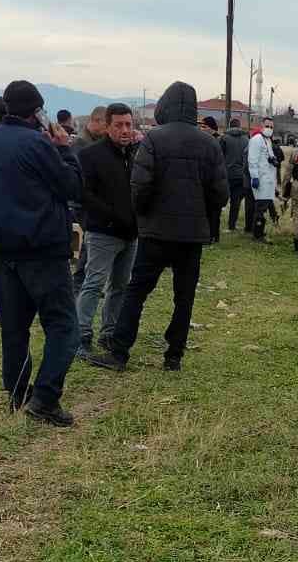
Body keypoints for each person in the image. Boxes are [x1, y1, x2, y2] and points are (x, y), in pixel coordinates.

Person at [91, 82, 228, 374]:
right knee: (184, 296)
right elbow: (220, 193)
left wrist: (143, 216)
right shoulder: (210, 143)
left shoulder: (154, 140)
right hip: (192, 235)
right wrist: (204, 215)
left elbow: (139, 187)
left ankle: (119, 352)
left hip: (155, 232)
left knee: (136, 291)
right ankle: (173, 356)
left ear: (165, 106)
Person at [0, 80, 83, 426]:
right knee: (64, 326)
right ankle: (45, 399)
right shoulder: (38, 143)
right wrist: (65, 148)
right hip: (42, 251)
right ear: (37, 111)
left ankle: (17, 396)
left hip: (3, 251)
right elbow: (71, 186)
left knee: (14, 328)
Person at [75, 102, 139, 361]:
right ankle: (80, 335)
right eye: (119, 125)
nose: (125, 130)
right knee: (94, 283)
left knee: (120, 286)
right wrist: (111, 217)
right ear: (107, 126)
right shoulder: (91, 155)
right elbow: (83, 194)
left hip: (131, 233)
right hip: (103, 232)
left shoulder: (135, 154)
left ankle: (109, 331)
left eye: (128, 124)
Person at [71, 107, 109, 291]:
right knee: (88, 242)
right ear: (97, 121)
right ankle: (80, 281)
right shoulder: (81, 144)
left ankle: (82, 280)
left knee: (89, 241)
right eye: (106, 124)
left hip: (90, 200)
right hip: (82, 201)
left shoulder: (93, 141)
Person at [247, 122, 279, 240]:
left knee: (263, 207)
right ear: (261, 126)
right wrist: (255, 176)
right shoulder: (257, 140)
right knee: (260, 208)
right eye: (267, 126)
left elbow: (268, 157)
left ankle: (259, 231)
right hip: (261, 178)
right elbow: (252, 160)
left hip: (268, 179)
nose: (269, 129)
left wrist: (272, 159)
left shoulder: (267, 140)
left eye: (271, 127)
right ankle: (257, 234)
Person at [222, 118, 248, 230]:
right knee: (236, 202)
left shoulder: (224, 138)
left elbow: (220, 156)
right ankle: (232, 225)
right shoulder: (246, 139)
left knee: (220, 199)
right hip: (240, 175)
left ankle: (214, 222)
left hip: (226, 175)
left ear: (229, 126)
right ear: (239, 126)